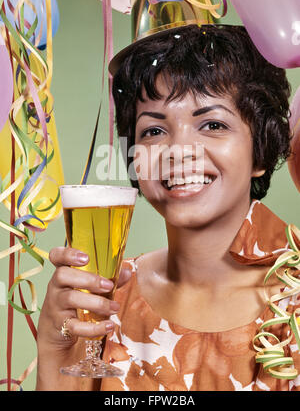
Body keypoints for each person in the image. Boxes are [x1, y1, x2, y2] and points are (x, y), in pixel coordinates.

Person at [36, 24, 300, 392]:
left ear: (261, 149)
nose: (178, 150)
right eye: (154, 131)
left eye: (211, 124)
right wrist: (54, 353)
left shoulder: (294, 293)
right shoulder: (104, 300)